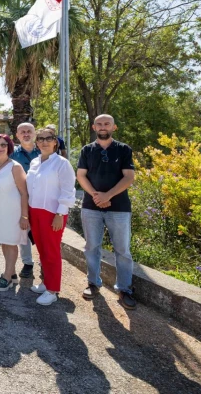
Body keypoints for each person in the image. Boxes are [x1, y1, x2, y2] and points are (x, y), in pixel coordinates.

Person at [77, 114, 137, 309]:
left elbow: (129, 177)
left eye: (107, 124)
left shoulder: (124, 149)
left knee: (122, 250)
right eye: (99, 124)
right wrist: (96, 196)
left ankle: (124, 289)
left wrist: (108, 195)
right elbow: (81, 175)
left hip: (119, 208)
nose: (103, 127)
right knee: (91, 247)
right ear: (94, 127)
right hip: (91, 207)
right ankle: (93, 283)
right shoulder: (87, 150)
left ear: (114, 127)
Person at [26, 126, 76, 306]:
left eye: (48, 138)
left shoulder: (62, 163)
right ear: (36, 142)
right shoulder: (34, 162)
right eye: (40, 139)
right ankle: (46, 283)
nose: (44, 142)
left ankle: (53, 290)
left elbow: (68, 191)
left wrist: (60, 213)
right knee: (41, 250)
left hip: (52, 213)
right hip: (34, 211)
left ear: (55, 142)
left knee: (51, 251)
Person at [0, 134, 30, 291]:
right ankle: (12, 273)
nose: (0, 148)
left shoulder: (15, 167)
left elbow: (24, 193)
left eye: (3, 145)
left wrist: (24, 216)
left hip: (12, 213)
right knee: (5, 242)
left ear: (9, 147)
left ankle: (7, 277)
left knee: (10, 243)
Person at [10, 122, 40, 280]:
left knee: (42, 232)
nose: (26, 134)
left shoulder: (44, 150)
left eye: (29, 131)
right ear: (17, 135)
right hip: (20, 198)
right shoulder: (12, 154)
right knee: (23, 231)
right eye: (22, 132)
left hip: (42, 199)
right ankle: (28, 263)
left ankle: (45, 263)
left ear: (34, 133)